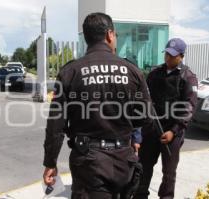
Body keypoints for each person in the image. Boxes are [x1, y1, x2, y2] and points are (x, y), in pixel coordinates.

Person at [43, 12, 152, 199]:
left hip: (88, 163)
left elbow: (56, 126)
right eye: (115, 35)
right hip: (123, 162)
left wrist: (50, 162)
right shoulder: (132, 71)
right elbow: (145, 116)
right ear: (109, 34)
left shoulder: (70, 72)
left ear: (87, 38)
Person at [133, 38, 198, 199]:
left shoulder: (188, 77)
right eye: (167, 54)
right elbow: (144, 99)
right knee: (143, 167)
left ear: (181, 56)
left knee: (169, 173)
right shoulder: (155, 73)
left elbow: (189, 108)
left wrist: (174, 131)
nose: (168, 58)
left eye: (172, 55)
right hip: (152, 129)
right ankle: (140, 195)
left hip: (172, 133)